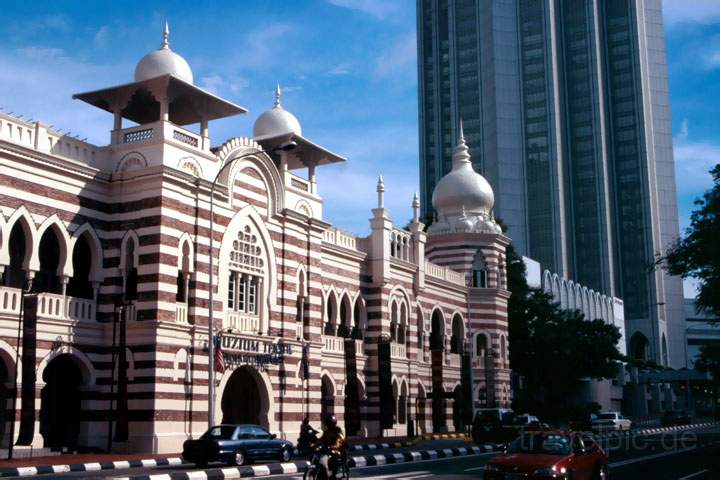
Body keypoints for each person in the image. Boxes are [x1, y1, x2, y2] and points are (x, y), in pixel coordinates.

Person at [317, 415, 347, 479]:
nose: (329, 425)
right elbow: (322, 439)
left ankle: (334, 475)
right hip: (328, 450)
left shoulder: (337, 430)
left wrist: (334, 446)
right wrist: (315, 443)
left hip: (337, 450)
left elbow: (340, 440)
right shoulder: (327, 431)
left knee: (333, 459)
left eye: (330, 423)